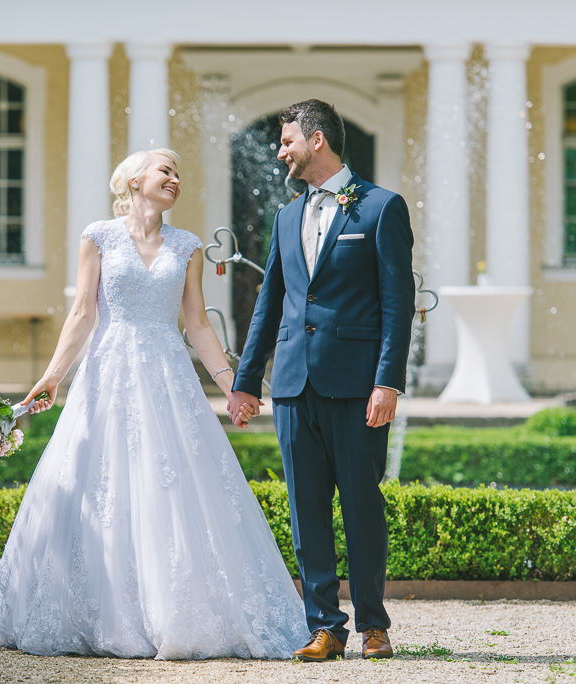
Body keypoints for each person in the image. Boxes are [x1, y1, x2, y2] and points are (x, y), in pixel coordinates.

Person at [0, 148, 310, 660]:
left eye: (178, 173)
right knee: (99, 482)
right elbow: (81, 313)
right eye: (165, 170)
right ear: (134, 181)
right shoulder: (98, 236)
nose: (174, 179)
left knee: (174, 484)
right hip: (107, 372)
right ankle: (100, 610)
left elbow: (197, 324)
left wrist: (231, 384)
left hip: (167, 374)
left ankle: (174, 612)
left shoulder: (187, 246)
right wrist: (51, 377)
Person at [228, 100, 416, 662]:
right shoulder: (287, 216)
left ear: (316, 141)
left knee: (362, 505)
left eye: (287, 142)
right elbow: (270, 303)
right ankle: (325, 627)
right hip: (292, 384)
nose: (280, 151)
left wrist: (388, 381)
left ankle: (373, 626)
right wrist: (245, 382)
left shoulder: (381, 208)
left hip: (357, 385)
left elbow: (396, 303)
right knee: (305, 510)